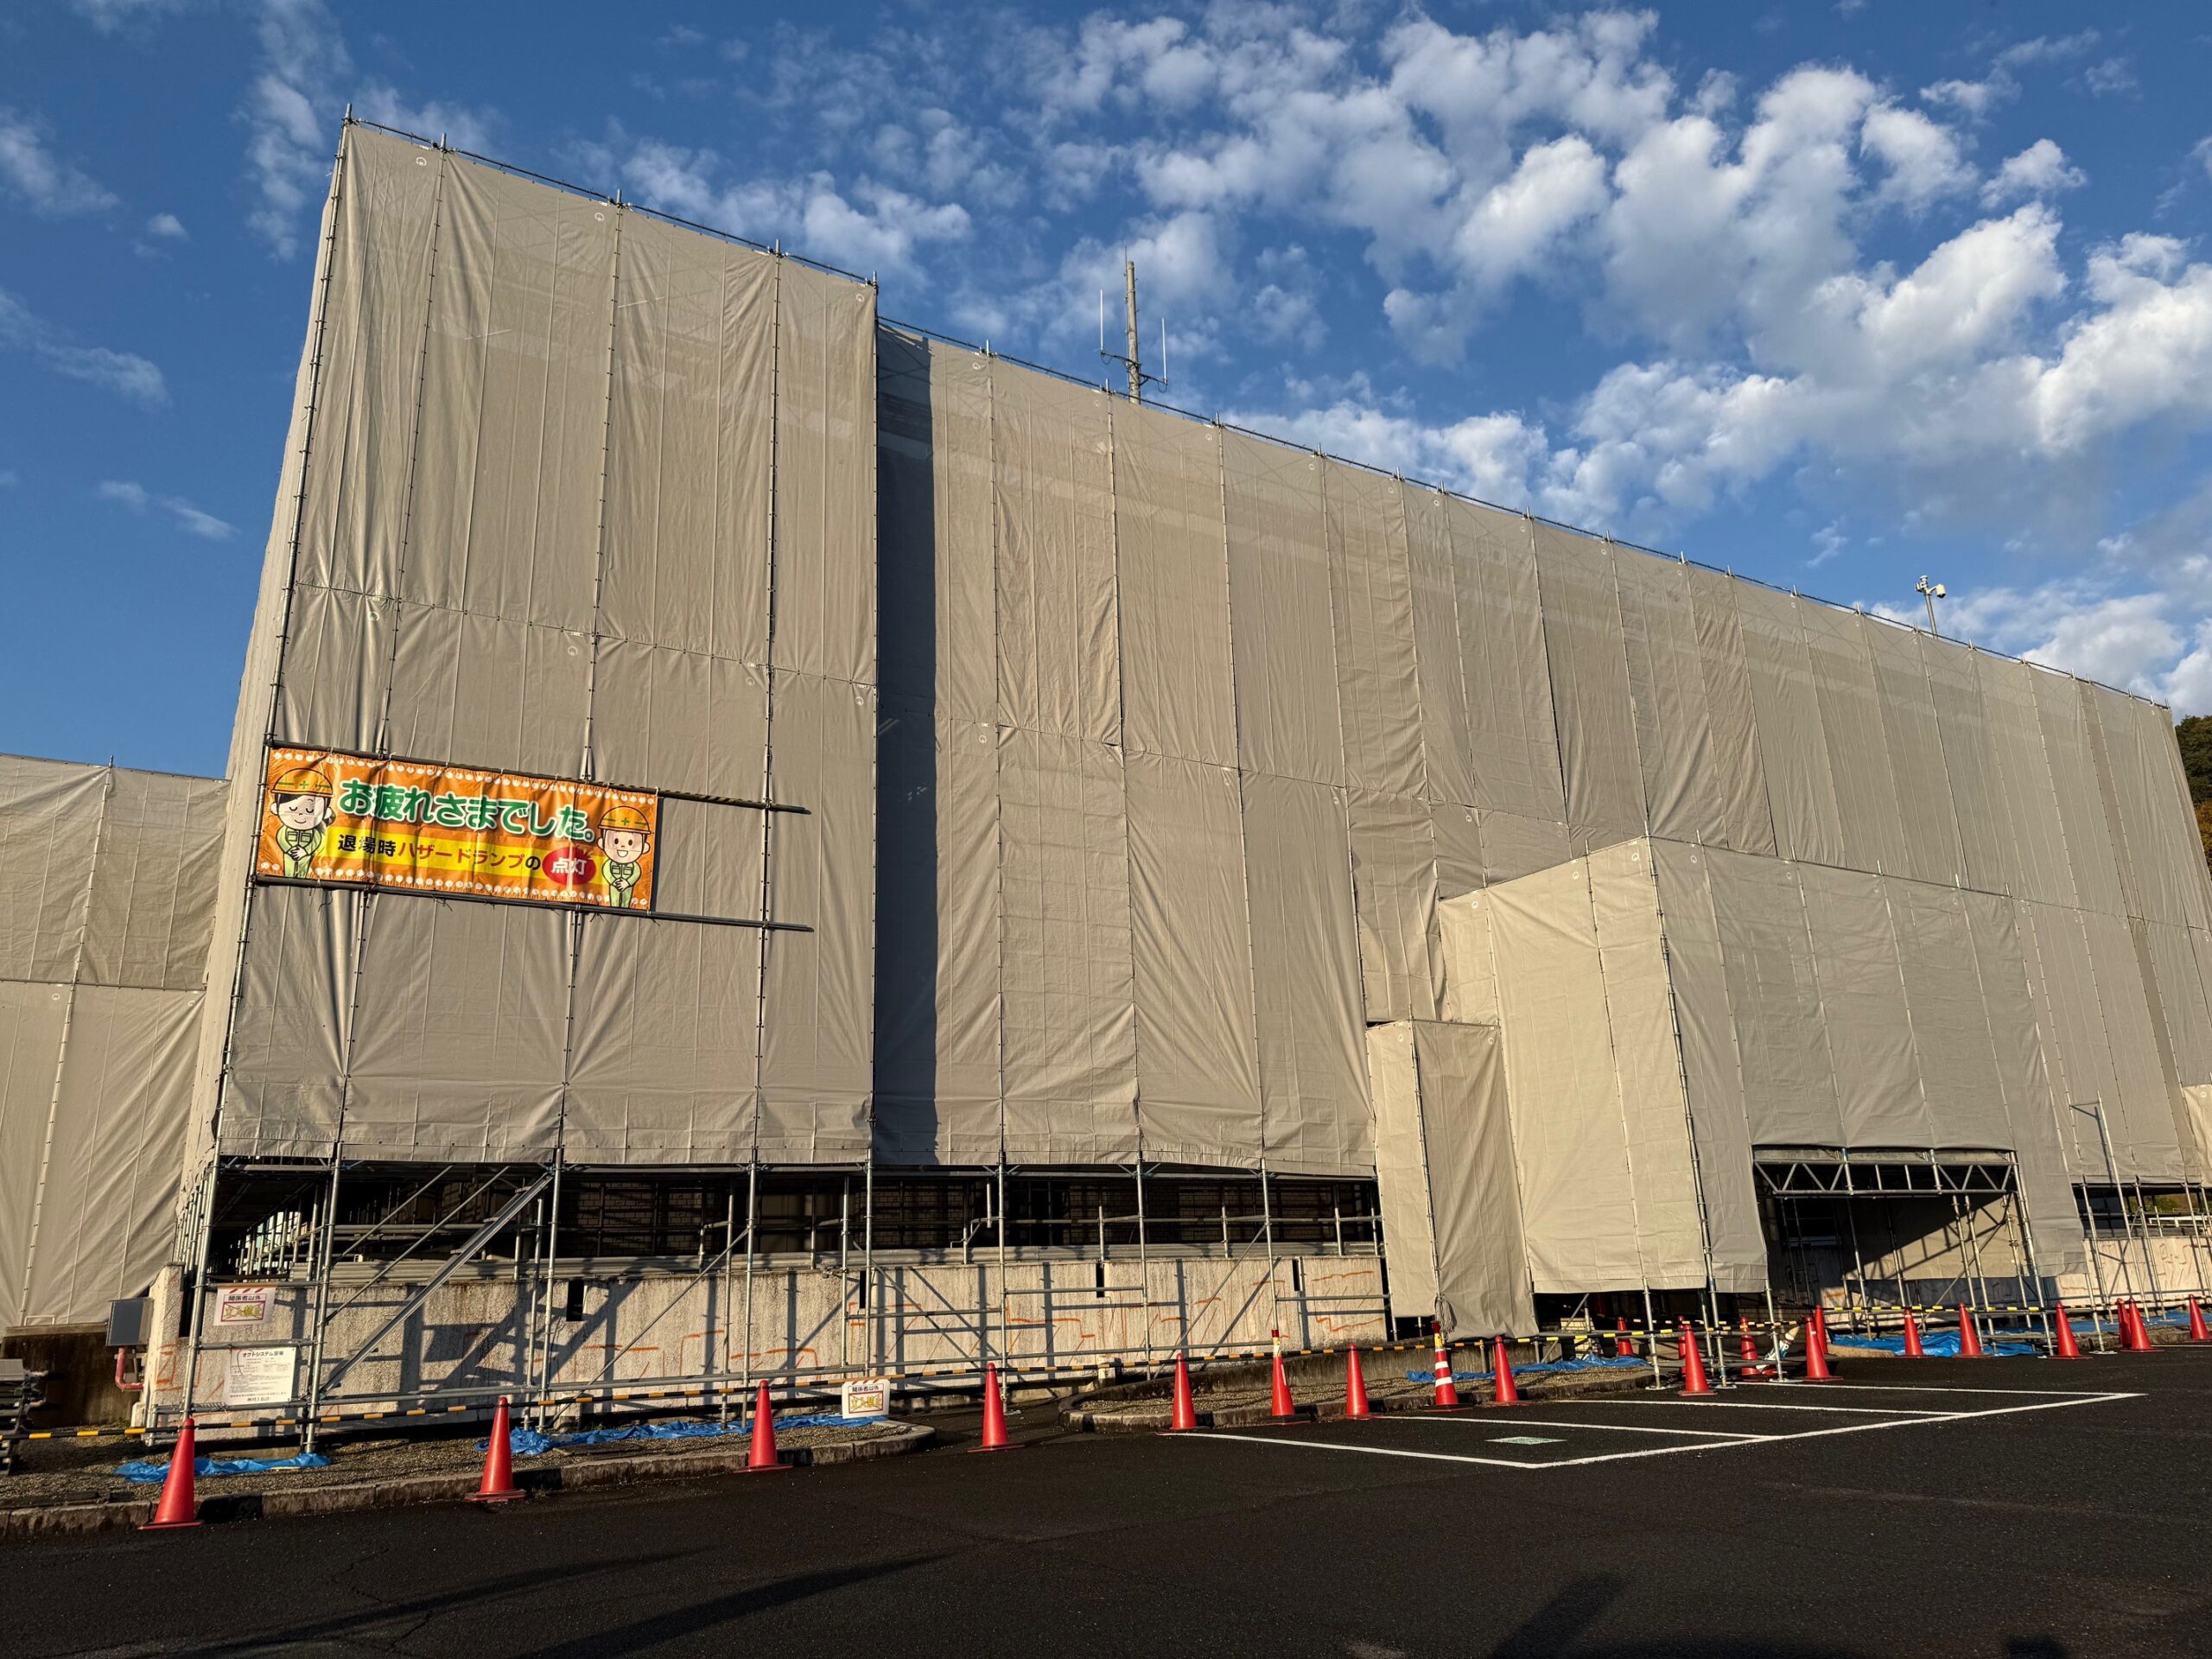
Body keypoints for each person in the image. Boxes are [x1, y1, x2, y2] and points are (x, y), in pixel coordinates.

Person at [267, 766, 335, 878]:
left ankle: (301, 877)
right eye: (293, 809)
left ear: (325, 812)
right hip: (289, 852)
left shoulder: (316, 832)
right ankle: (288, 876)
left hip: (305, 852)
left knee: (304, 867)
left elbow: (319, 841)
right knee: (288, 867)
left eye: (310, 810)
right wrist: (289, 849)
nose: (300, 815)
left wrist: (306, 851)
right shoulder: (285, 829)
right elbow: (281, 837)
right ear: (276, 808)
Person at [596, 804, 652, 909]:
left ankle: (626, 907)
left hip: (627, 884)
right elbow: (606, 870)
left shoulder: (634, 865)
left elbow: (637, 872)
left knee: (627, 899)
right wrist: (613, 881)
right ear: (602, 842)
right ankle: (614, 907)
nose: (622, 846)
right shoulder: (610, 863)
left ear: (644, 847)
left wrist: (627, 882)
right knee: (614, 898)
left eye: (631, 842)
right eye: (615, 841)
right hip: (614, 883)